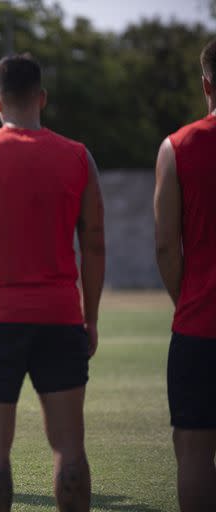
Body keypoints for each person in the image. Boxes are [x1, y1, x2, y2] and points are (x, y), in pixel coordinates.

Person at [0, 53, 105, 512]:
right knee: (70, 449)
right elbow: (94, 245)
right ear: (43, 98)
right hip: (60, 317)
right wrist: (89, 318)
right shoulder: (78, 157)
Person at [154, 38, 216, 512]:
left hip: (200, 324)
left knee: (193, 453)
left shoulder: (179, 147)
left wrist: (188, 300)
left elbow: (164, 246)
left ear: (205, 84)